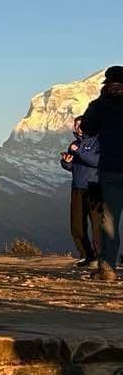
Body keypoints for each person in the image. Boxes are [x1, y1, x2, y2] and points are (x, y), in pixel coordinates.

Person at [80, 67, 123, 283]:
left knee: (109, 222)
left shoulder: (101, 105)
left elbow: (87, 127)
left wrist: (102, 99)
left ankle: (107, 269)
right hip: (111, 169)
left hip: (112, 169)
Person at [61, 118, 101, 268]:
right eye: (76, 125)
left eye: (81, 125)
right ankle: (86, 255)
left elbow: (96, 161)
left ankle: (100, 257)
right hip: (77, 187)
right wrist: (66, 162)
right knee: (77, 224)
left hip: (94, 187)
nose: (78, 127)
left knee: (97, 225)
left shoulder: (98, 141)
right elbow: (72, 167)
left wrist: (80, 152)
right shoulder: (74, 144)